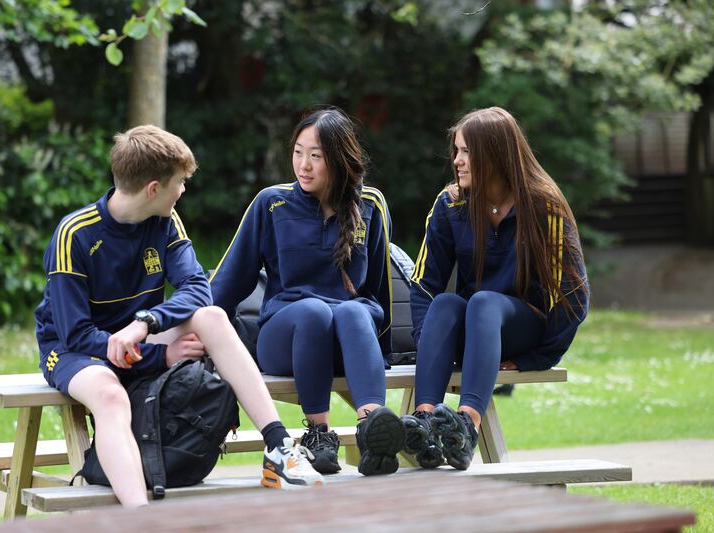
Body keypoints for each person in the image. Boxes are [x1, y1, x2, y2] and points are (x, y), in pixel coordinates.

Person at [34, 125, 323, 507]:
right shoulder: (74, 234)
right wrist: (162, 356)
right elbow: (75, 334)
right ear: (153, 188)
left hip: (136, 337)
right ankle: (142, 517)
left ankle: (278, 449)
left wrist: (146, 325)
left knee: (213, 318)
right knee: (109, 394)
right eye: (180, 182)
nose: (183, 190)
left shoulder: (166, 222)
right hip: (76, 350)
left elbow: (198, 290)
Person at [209, 107, 404, 476]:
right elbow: (229, 282)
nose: (304, 165)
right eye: (299, 152)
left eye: (316, 156)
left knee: (353, 310)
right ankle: (318, 435)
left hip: (348, 342)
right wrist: (200, 337)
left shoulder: (370, 206)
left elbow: (379, 291)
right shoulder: (272, 204)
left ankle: (373, 428)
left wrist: (385, 352)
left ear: (341, 159)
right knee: (314, 310)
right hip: (286, 340)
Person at [402, 107, 589, 470]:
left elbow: (572, 295)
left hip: (521, 327)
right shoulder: (451, 204)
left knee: (483, 302)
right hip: (474, 328)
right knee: (444, 303)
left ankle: (465, 428)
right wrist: (432, 344)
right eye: (456, 150)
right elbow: (424, 284)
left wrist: (539, 357)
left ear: (496, 154)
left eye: (467, 152)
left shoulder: (543, 206)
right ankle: (425, 423)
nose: (457, 161)